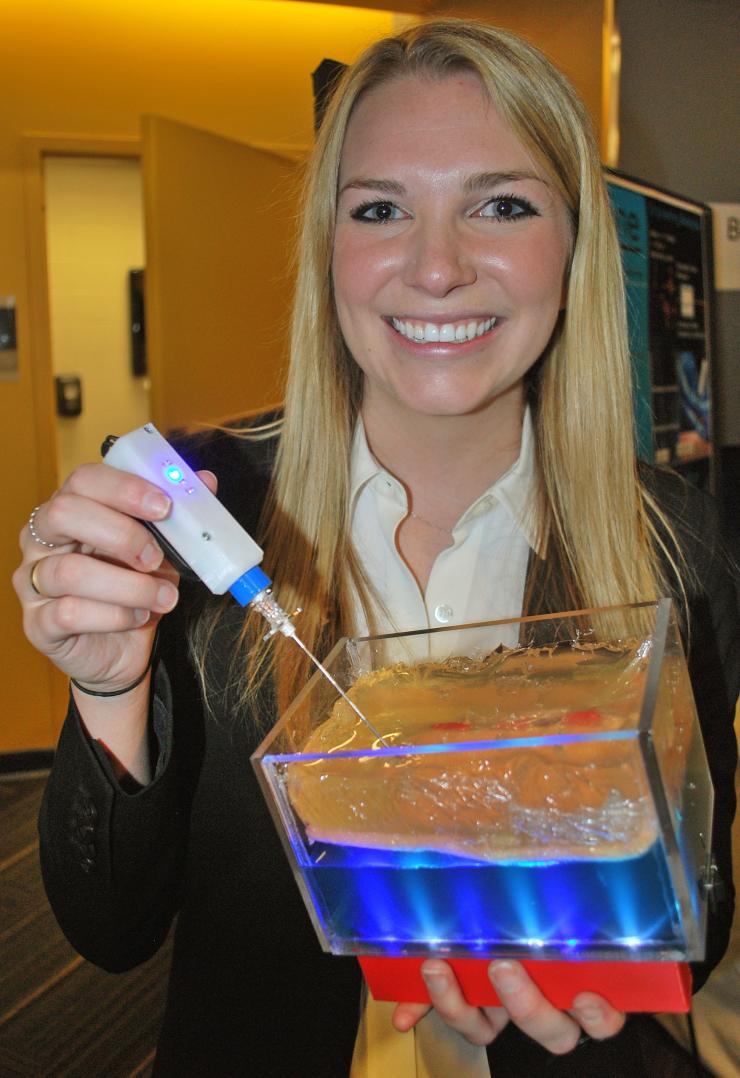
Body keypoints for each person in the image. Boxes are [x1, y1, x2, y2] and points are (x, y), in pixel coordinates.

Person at [13, 19, 738, 1078]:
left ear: (575, 245)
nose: (435, 267)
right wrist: (107, 689)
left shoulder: (677, 541)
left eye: (499, 205)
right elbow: (112, 930)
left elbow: (698, 899)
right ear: (327, 250)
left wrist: (603, 953)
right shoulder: (201, 510)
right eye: (381, 209)